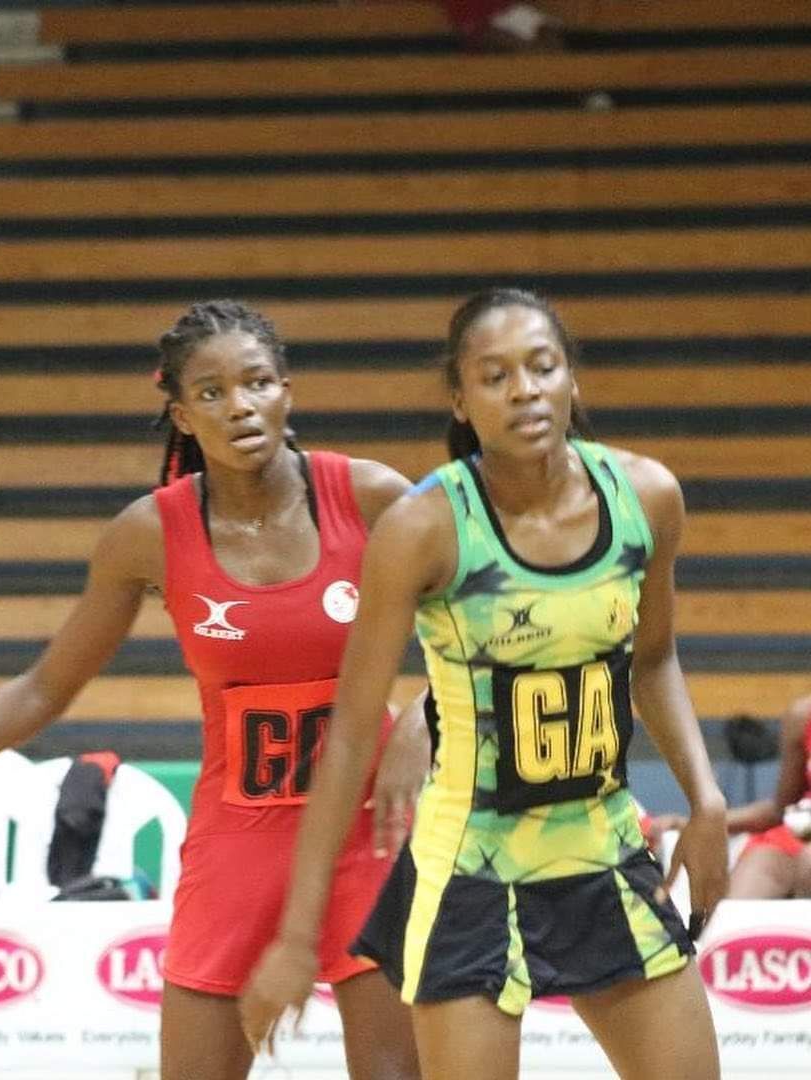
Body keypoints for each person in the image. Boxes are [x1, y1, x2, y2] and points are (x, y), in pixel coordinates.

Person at [0, 299, 422, 1080]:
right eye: (212, 393)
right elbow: (41, 691)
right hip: (239, 835)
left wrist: (425, 715)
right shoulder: (149, 533)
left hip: (372, 831)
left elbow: (485, 622)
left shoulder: (372, 497)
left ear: (287, 391)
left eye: (257, 382)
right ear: (182, 417)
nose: (240, 406)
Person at [240, 287, 729, 1079]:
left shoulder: (647, 498)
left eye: (542, 367)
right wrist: (298, 940)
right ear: (460, 400)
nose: (525, 390)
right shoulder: (423, 529)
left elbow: (654, 659)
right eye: (495, 376)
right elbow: (352, 732)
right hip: (470, 872)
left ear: (571, 378)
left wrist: (705, 799)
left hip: (604, 853)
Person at [725, 693, 811, 898]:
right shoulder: (802, 716)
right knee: (755, 868)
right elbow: (780, 810)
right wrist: (700, 821)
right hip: (797, 833)